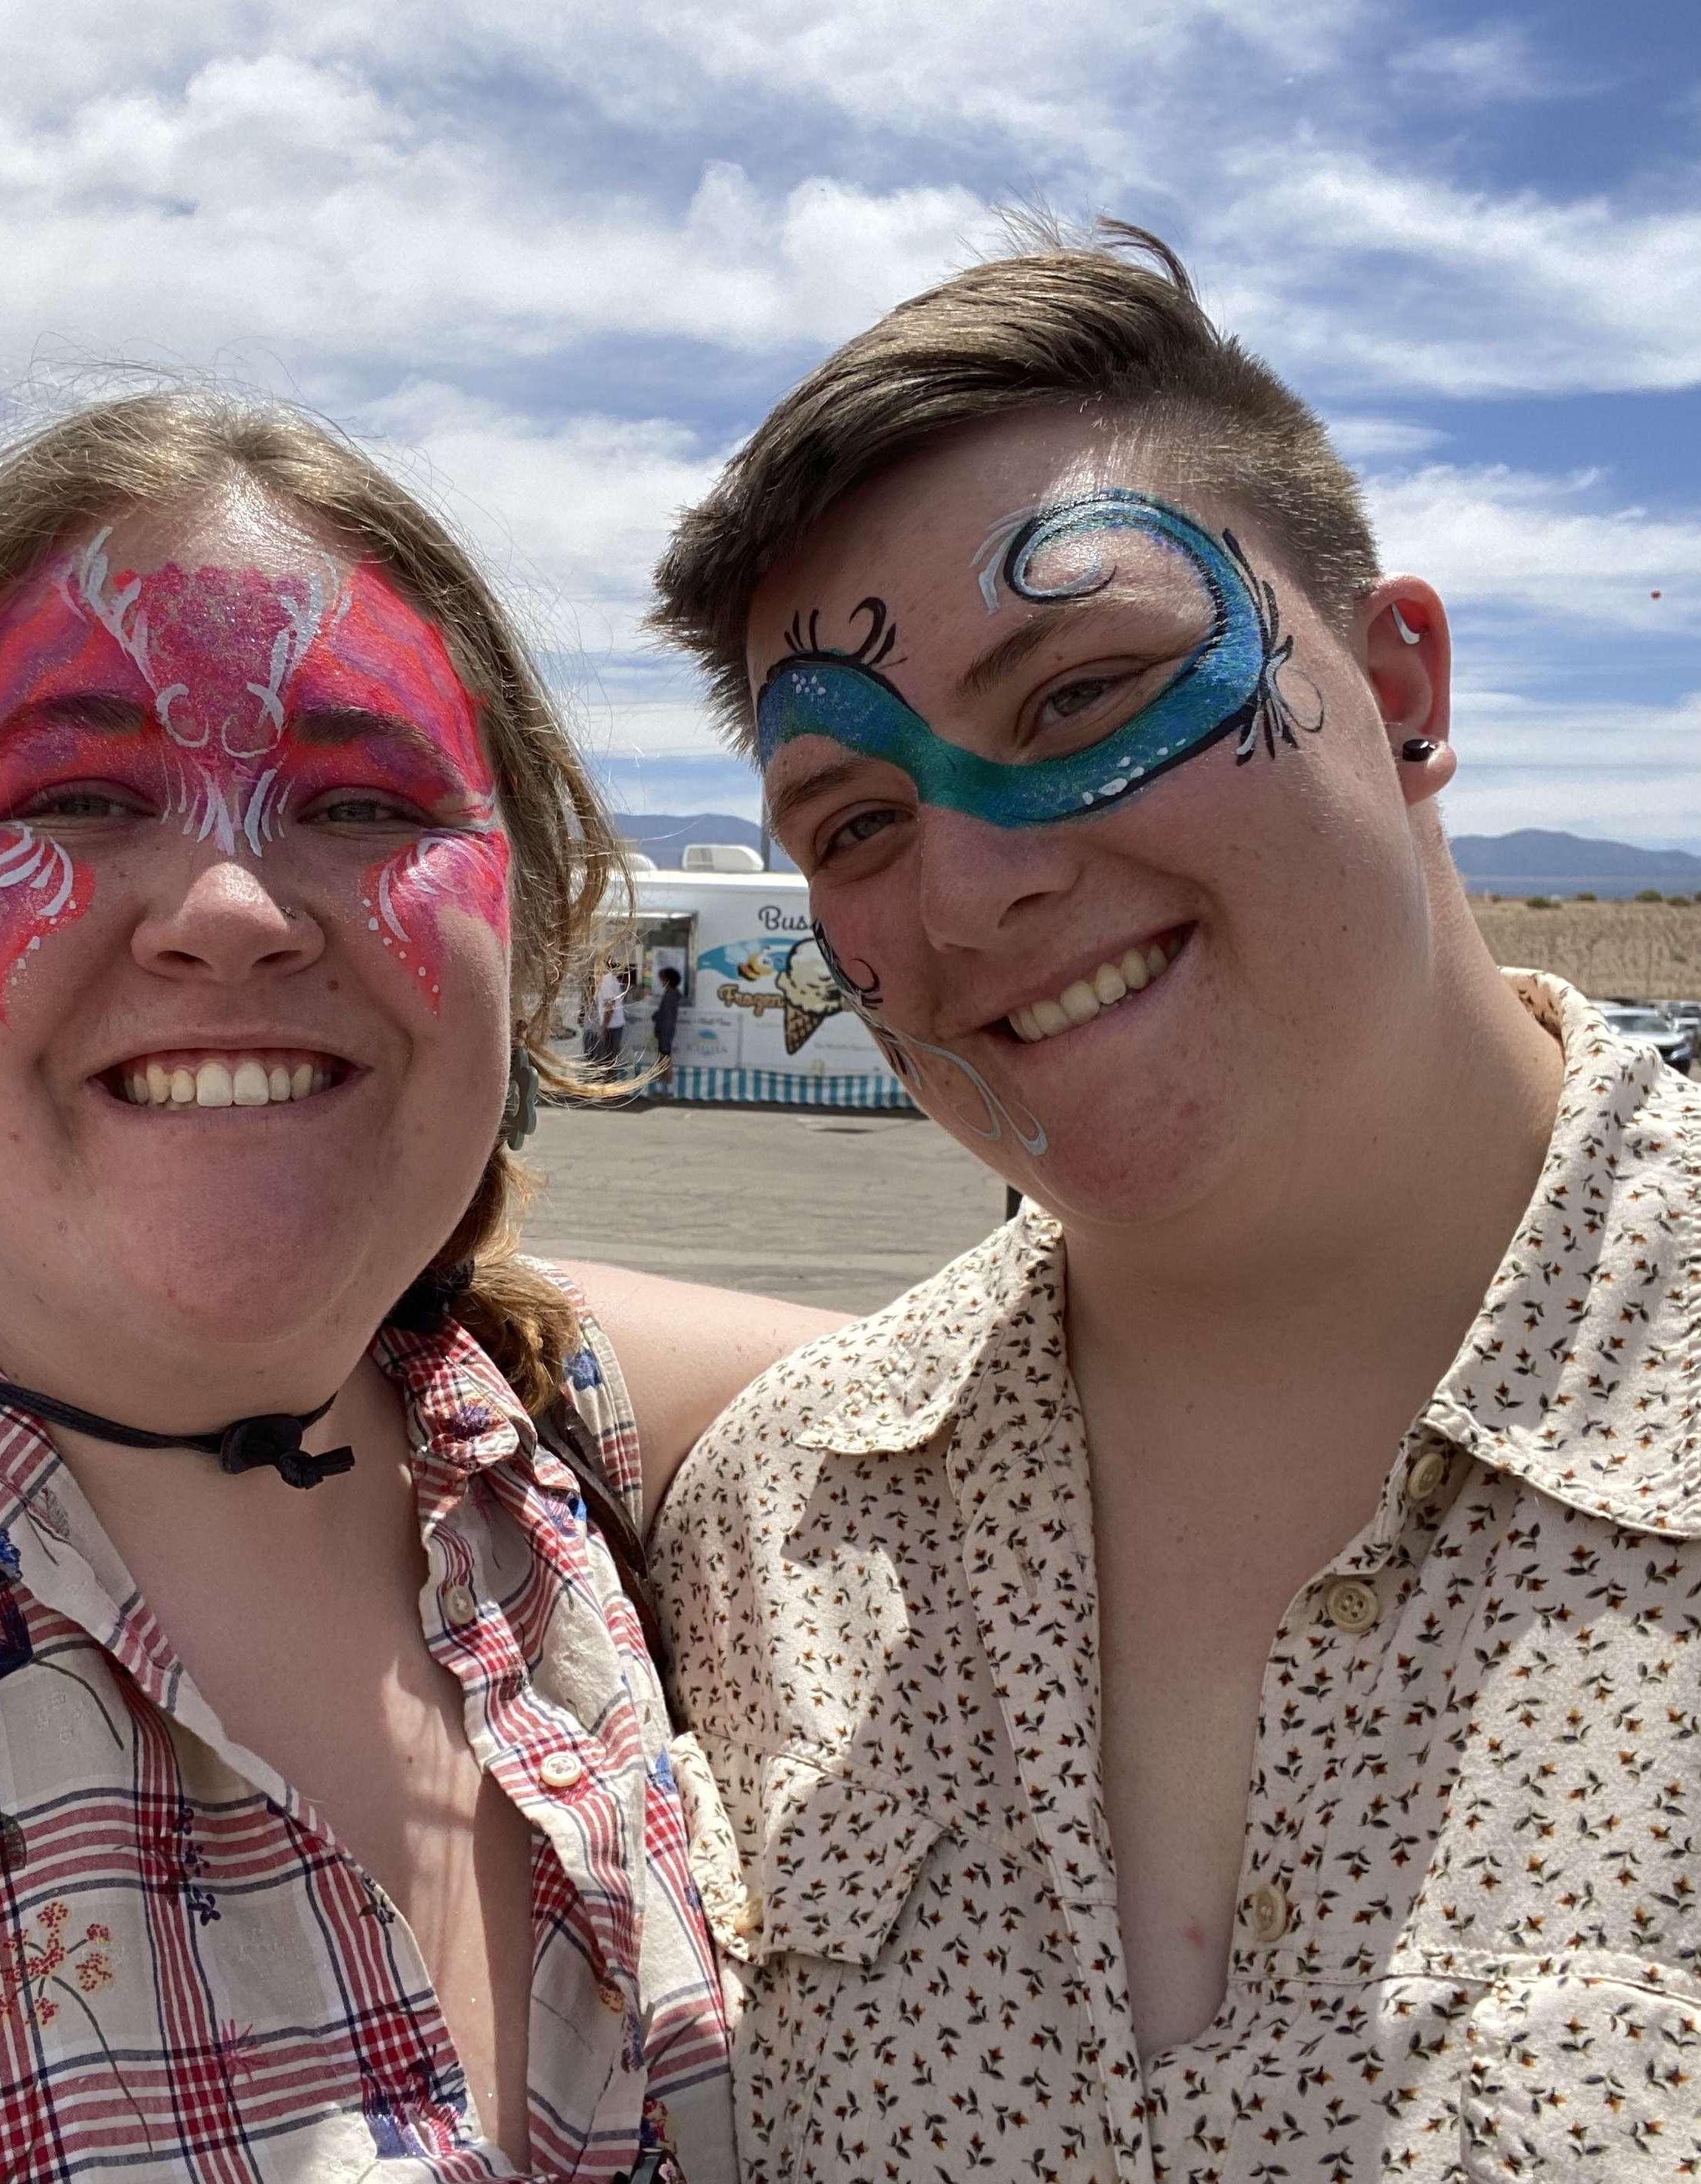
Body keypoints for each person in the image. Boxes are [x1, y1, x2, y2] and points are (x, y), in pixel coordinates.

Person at [0, 392, 842, 2181]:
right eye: (75, 792)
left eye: (367, 801)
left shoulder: (565, 1434)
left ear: (514, 949)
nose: (228, 902)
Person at [643, 222, 1701, 2176]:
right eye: (858, 823)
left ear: (1396, 690)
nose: (968, 895)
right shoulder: (776, 1535)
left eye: (1072, 698)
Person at [592, 961, 628, 1072]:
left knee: (607, 1062)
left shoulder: (606, 980)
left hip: (611, 1027)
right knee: (610, 1061)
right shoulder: (610, 979)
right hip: (614, 1025)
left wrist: (604, 1028)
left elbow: (610, 1006)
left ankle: (609, 1085)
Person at [650, 967, 684, 1069]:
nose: (661, 981)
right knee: (664, 1060)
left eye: (663, 978)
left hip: (665, 1034)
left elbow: (668, 1018)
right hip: (665, 1033)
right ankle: (665, 1082)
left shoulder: (670, 996)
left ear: (668, 980)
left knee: (664, 1061)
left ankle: (666, 1083)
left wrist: (664, 1036)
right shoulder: (670, 994)